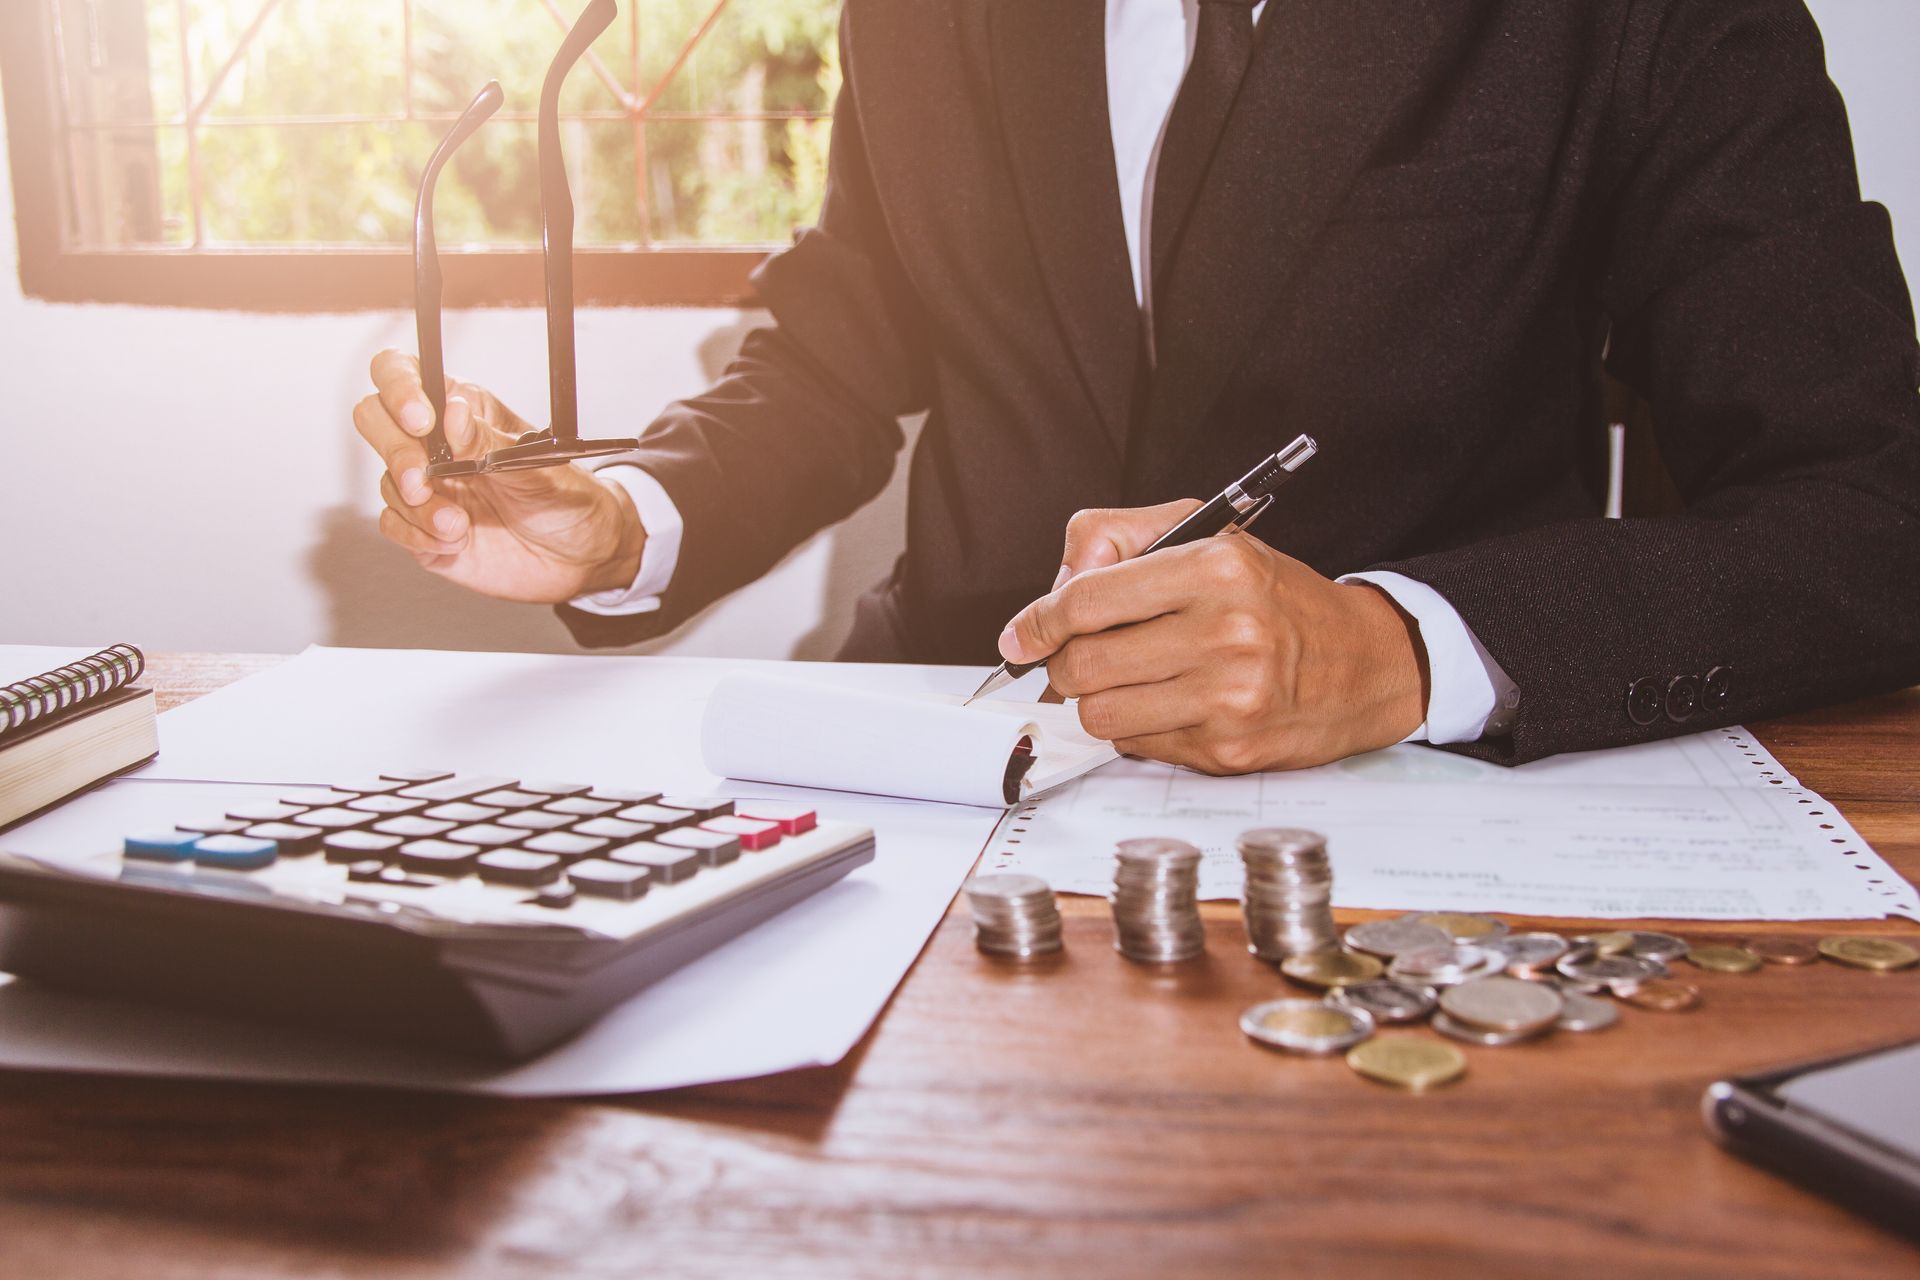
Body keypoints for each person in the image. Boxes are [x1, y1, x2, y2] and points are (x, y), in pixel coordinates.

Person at [353, 0, 1920, 772]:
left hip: (1423, 800)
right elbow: (844, 341)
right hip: (947, 758)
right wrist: (626, 520)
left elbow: (1873, 511)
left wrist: (1402, 648)